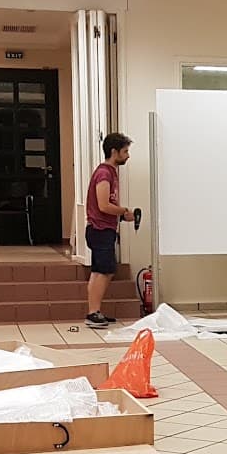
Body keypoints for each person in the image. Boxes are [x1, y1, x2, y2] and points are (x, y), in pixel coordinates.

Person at [84, 132, 134, 329]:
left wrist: (121, 215)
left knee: (101, 271)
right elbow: (103, 205)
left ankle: (95, 311)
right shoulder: (104, 173)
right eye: (125, 151)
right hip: (100, 228)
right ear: (114, 152)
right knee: (104, 271)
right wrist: (124, 211)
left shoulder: (111, 173)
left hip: (105, 228)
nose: (128, 156)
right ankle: (92, 312)